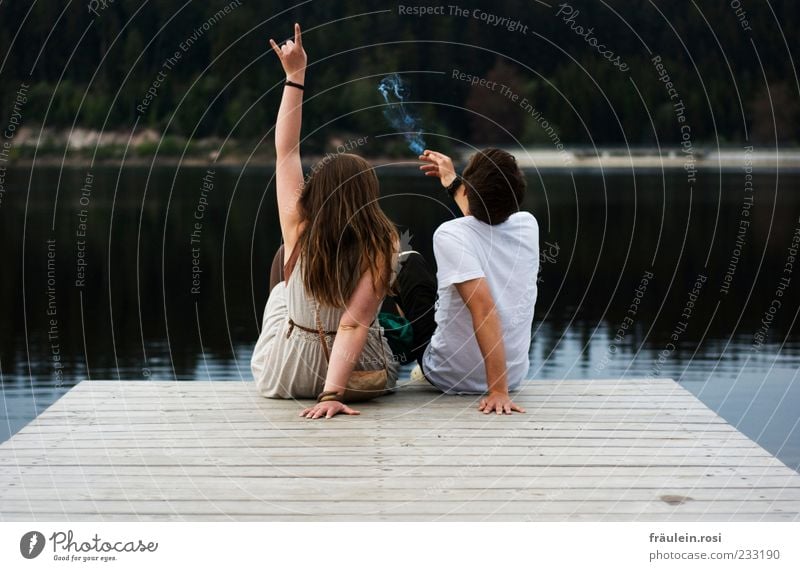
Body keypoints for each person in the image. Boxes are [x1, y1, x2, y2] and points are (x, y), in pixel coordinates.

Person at [251, 23, 401, 419]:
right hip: (359, 377)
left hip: (287, 376)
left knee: (283, 286)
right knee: (375, 316)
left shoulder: (297, 227)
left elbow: (285, 152)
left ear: (317, 192)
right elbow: (353, 326)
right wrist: (332, 394)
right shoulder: (382, 243)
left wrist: (295, 77)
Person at [414, 148, 540, 414]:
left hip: (447, 375)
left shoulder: (449, 234)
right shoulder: (528, 225)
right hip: (513, 376)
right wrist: (452, 181)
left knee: (408, 264)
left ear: (469, 193)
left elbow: (484, 311)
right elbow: (483, 218)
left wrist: (498, 392)